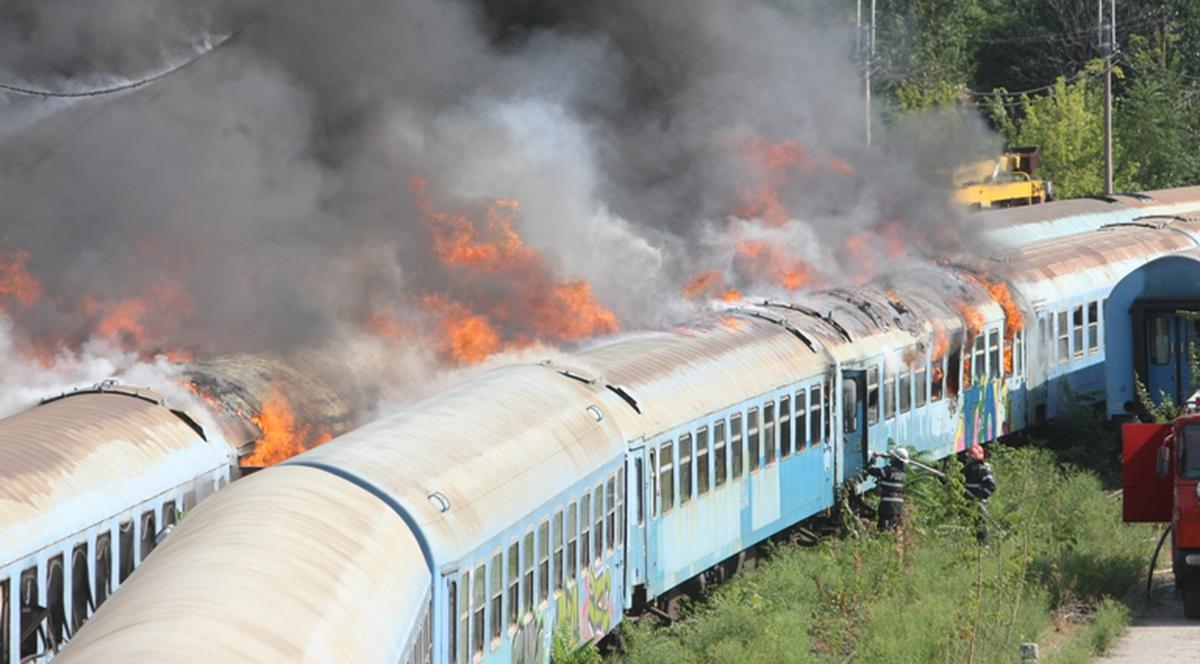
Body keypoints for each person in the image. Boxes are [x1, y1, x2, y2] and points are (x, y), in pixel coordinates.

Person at [868, 448, 908, 531]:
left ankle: (883, 539)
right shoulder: (903, 474)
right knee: (893, 525)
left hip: (887, 501)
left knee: (883, 525)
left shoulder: (888, 471)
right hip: (898, 503)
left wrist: (873, 459)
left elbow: (871, 470)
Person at [963, 444, 996, 543]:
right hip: (967, 501)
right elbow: (958, 480)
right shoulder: (967, 469)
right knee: (968, 522)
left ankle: (983, 544)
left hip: (978, 502)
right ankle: (971, 543)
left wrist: (979, 496)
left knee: (980, 523)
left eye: (969, 457)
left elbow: (991, 486)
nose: (967, 459)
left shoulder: (982, 470)